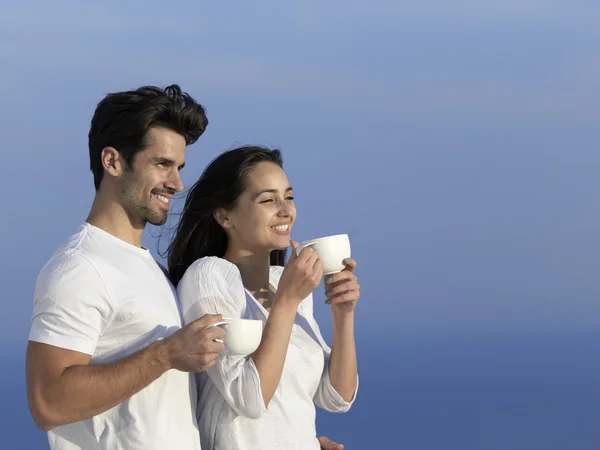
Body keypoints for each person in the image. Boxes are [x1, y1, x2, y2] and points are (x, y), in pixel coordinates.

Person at [25, 84, 227, 449]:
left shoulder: (148, 269)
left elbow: (165, 414)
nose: (177, 182)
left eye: (179, 167)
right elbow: (47, 402)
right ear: (113, 161)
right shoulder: (80, 268)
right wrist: (166, 354)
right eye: (162, 164)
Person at [168, 146, 360, 449]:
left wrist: (342, 313)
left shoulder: (279, 281)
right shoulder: (208, 275)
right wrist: (286, 301)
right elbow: (250, 399)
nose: (286, 210)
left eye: (289, 197)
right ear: (224, 216)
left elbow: (337, 397)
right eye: (268, 200)